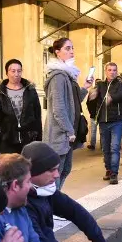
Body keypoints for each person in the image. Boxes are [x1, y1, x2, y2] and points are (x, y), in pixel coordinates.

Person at [43, 38, 93, 190]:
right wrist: (69, 130)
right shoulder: (58, 77)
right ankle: (52, 205)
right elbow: (58, 108)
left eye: (72, 48)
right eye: (67, 48)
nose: (72, 51)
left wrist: (84, 87)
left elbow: (73, 101)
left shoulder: (68, 75)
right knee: (56, 173)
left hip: (67, 133)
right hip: (59, 133)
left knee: (65, 169)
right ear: (57, 52)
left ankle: (55, 200)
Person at [0, 59, 42, 157]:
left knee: (28, 169)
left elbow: (37, 116)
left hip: (28, 139)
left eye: (19, 71)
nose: (16, 74)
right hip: (7, 140)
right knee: (9, 170)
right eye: (13, 71)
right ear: (7, 73)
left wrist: (39, 140)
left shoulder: (30, 90)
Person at [90, 62, 122, 184]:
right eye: (109, 70)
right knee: (106, 148)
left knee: (114, 147)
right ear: (105, 71)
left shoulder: (121, 84)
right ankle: (108, 169)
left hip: (117, 120)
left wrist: (112, 97)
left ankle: (114, 173)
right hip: (103, 121)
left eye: (114, 70)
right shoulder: (100, 85)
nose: (112, 72)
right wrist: (92, 97)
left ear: (116, 71)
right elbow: (93, 101)